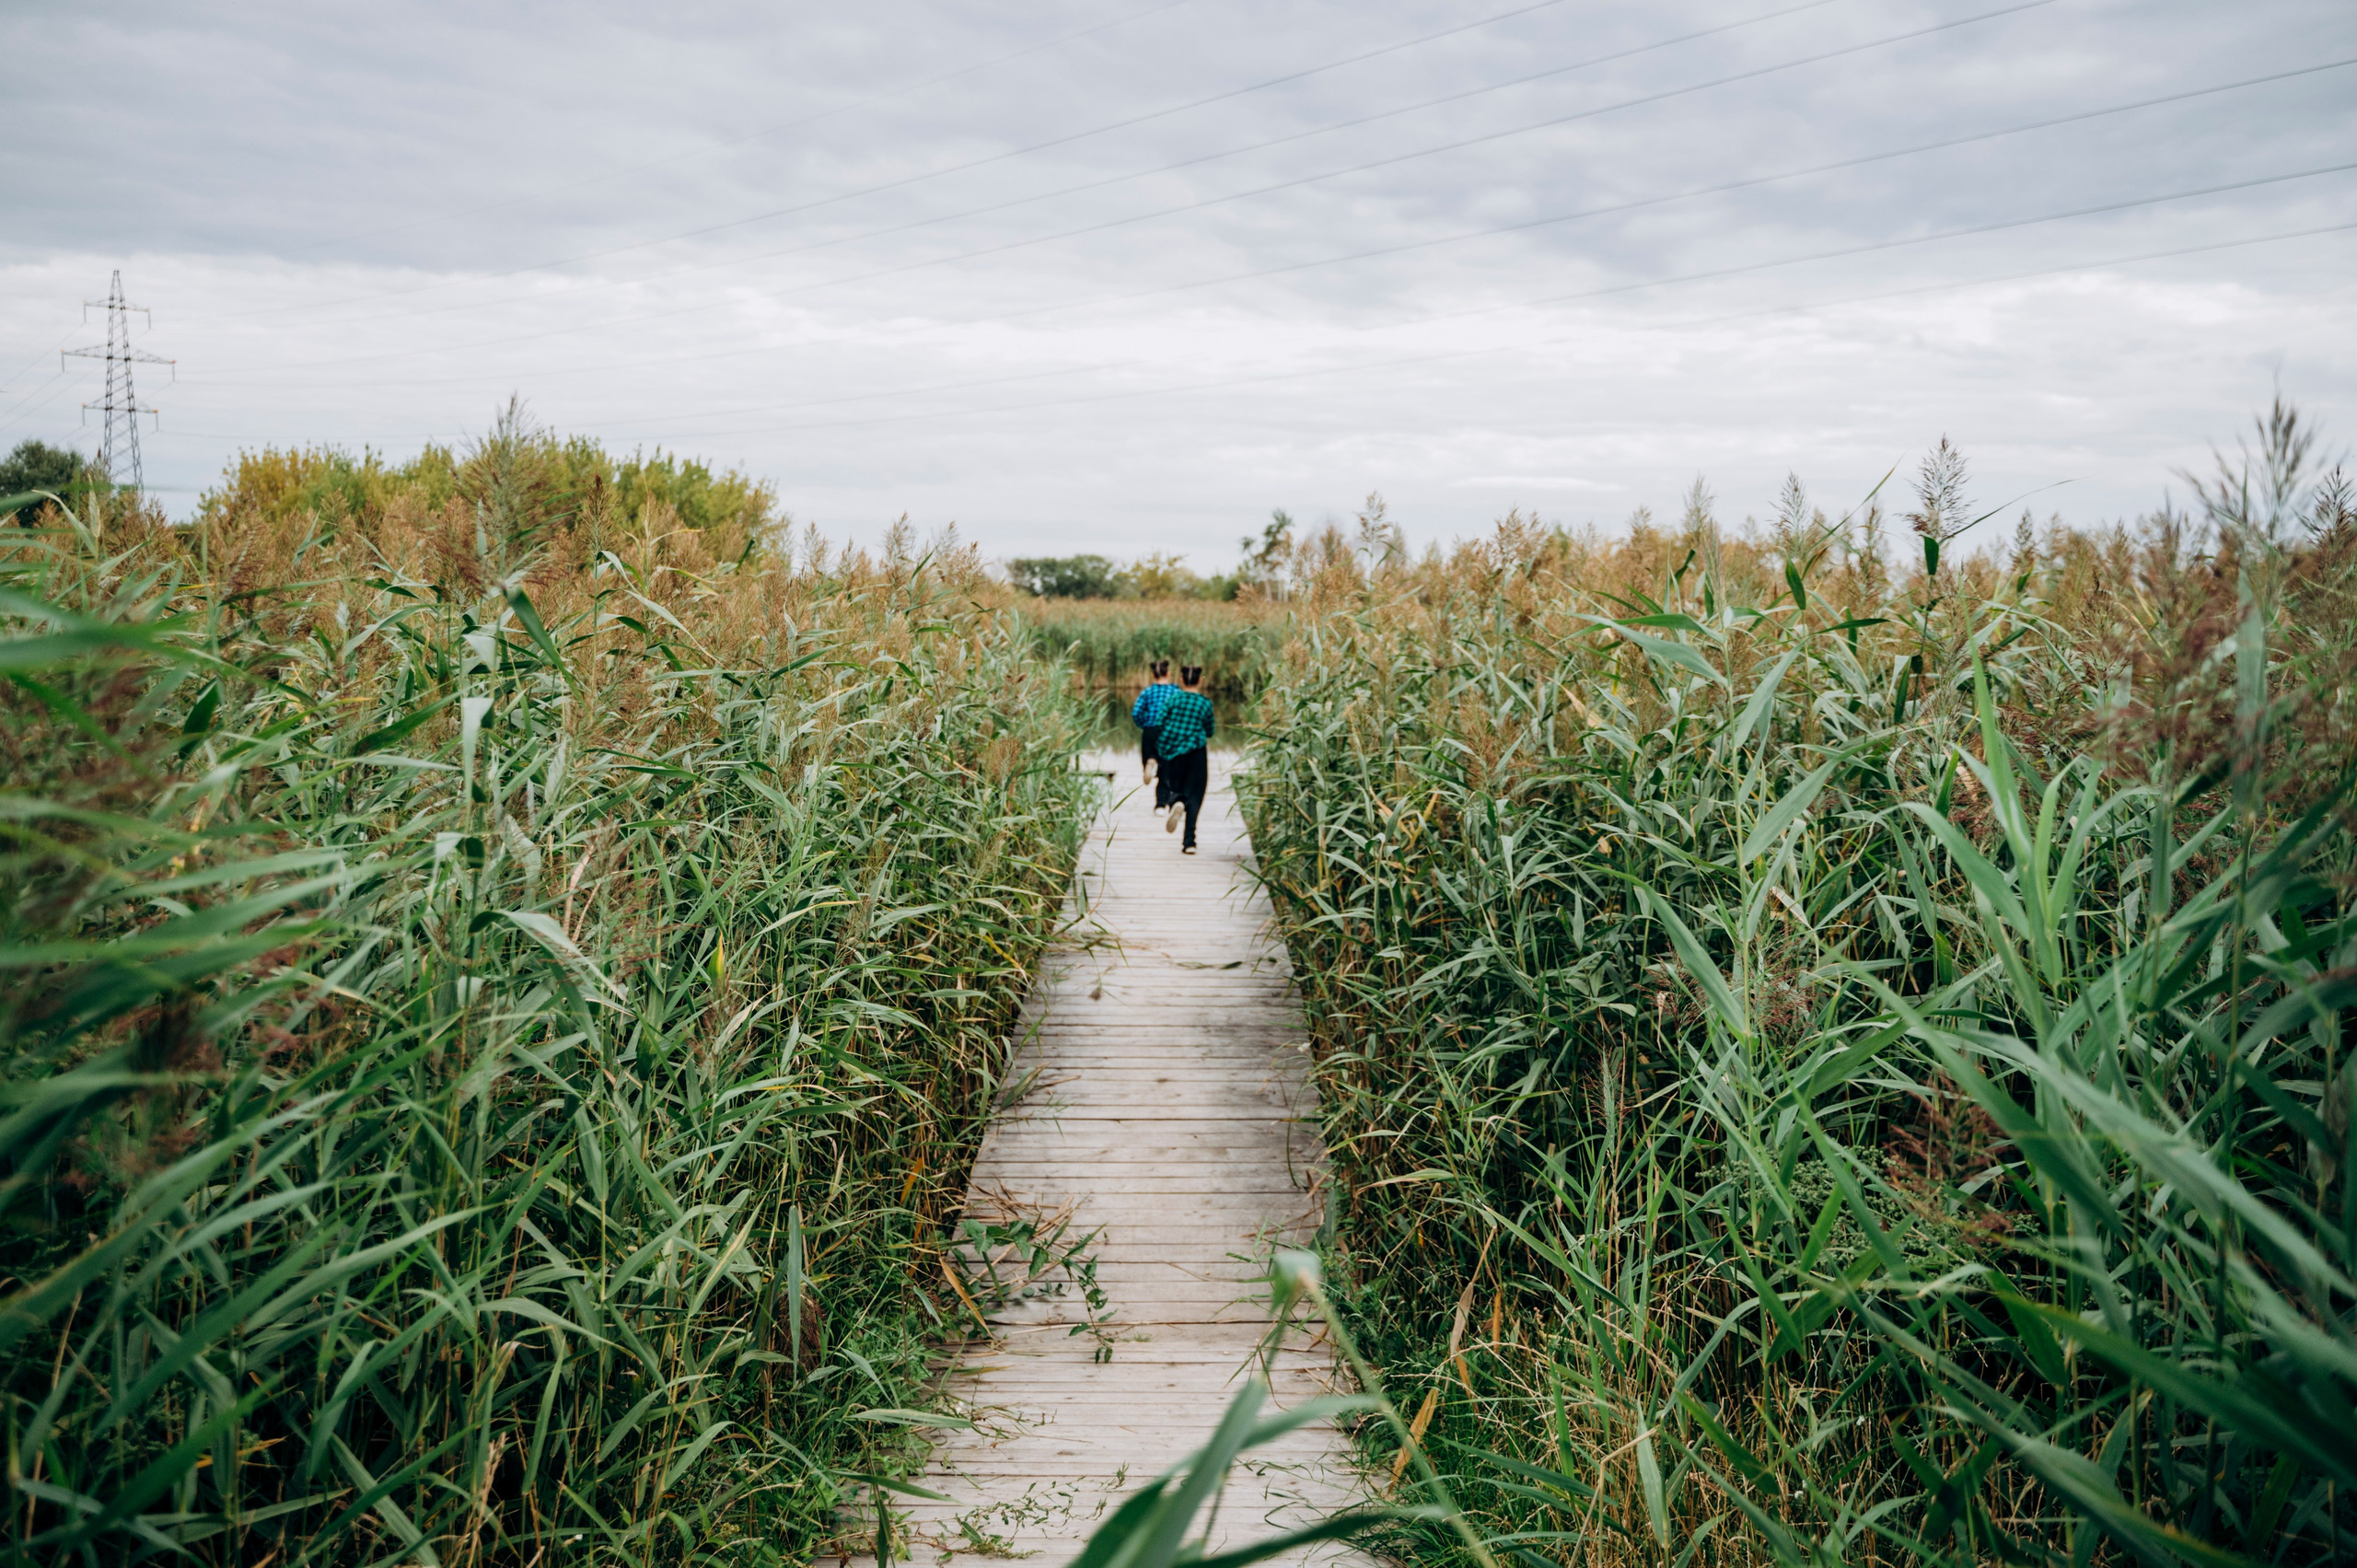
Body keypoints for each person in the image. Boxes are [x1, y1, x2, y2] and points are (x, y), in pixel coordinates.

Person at [1154, 666, 1214, 854]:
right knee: (1195, 795)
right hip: (1197, 753)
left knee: (1176, 787)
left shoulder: (1173, 699)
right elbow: (1210, 731)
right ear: (1200, 680)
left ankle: (1177, 803)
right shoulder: (1205, 703)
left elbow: (1159, 722)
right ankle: (1189, 842)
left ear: (1181, 680)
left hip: (1174, 753)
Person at [1129, 659, 1177, 804]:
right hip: (1168, 733)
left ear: (1153, 675)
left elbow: (1136, 713)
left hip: (1150, 730)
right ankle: (1161, 805)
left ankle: (1150, 761)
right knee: (1166, 770)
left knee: (1149, 755)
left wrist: (1145, 725)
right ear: (1168, 673)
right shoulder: (1175, 691)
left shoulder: (1147, 692)